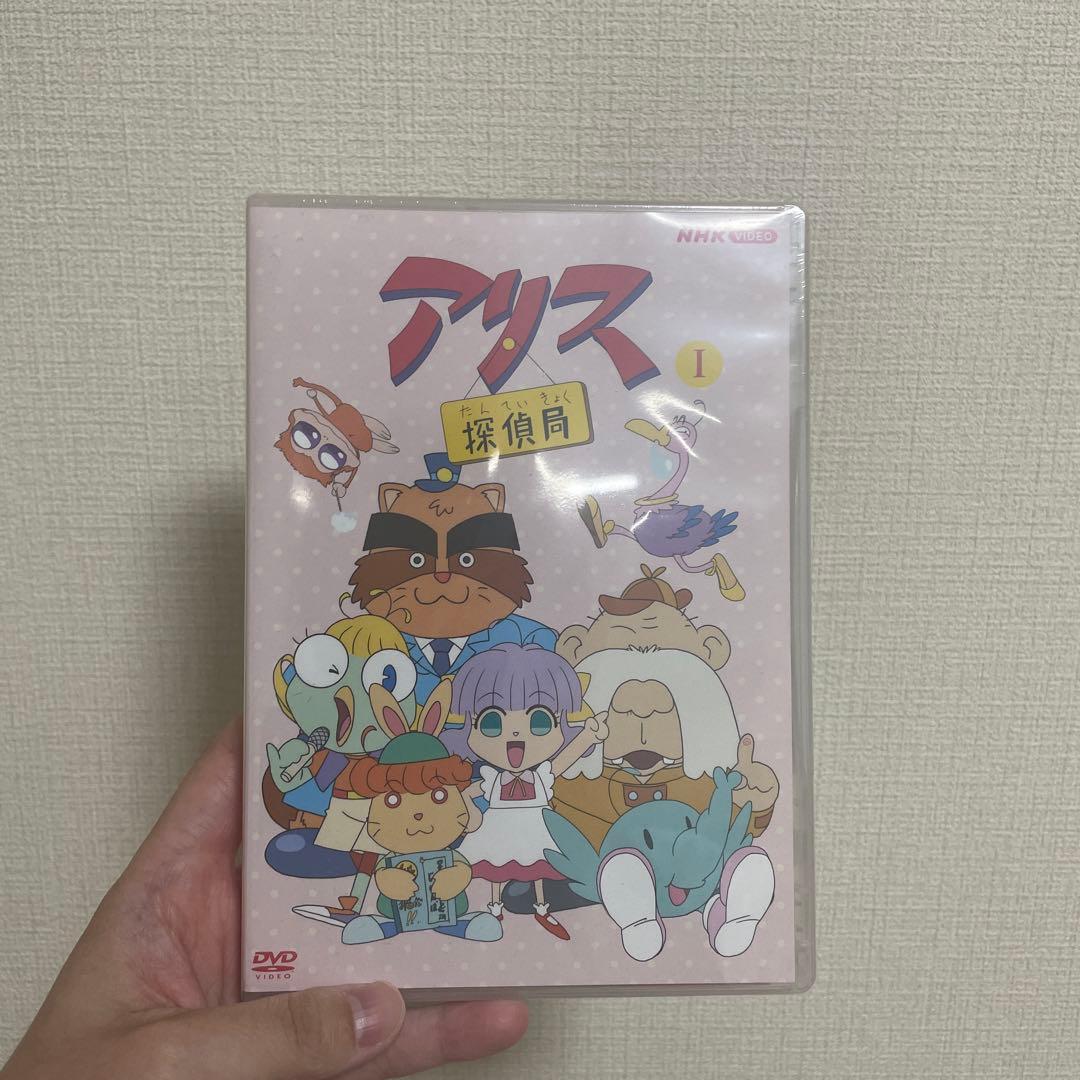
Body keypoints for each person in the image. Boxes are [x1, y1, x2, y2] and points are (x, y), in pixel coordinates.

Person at [0, 720, 527, 1080]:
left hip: (444, 912)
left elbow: (461, 870)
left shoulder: (454, 847)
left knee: (467, 928)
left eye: (438, 797)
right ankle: (380, 927)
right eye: (392, 799)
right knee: (364, 915)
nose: (418, 813)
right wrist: (392, 887)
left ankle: (465, 924)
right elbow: (380, 880)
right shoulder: (381, 855)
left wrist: (454, 878)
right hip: (393, 915)